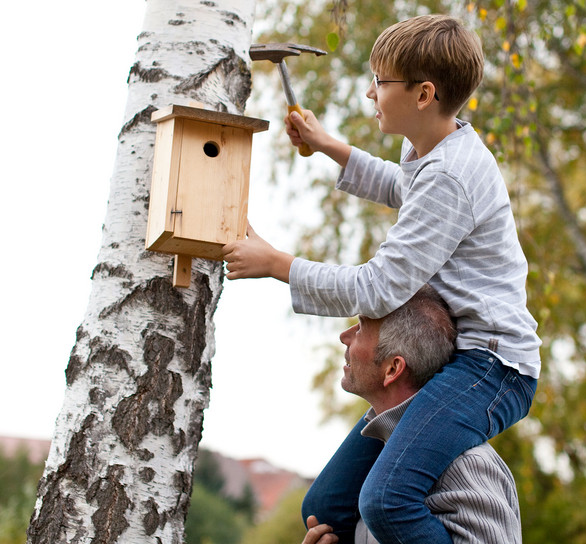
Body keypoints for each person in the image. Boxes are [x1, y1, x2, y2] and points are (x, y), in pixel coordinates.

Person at [222, 13, 540, 544]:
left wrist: (279, 265)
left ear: (424, 94)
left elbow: (379, 289)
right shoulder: (434, 149)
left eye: (380, 82)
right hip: (457, 359)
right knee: (326, 507)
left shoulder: (451, 176)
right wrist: (330, 147)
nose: (371, 94)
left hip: (492, 366)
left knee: (388, 500)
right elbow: (405, 189)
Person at [301, 286, 522, 544]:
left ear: (392, 368)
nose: (344, 336)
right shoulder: (370, 472)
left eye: (361, 328)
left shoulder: (468, 465)